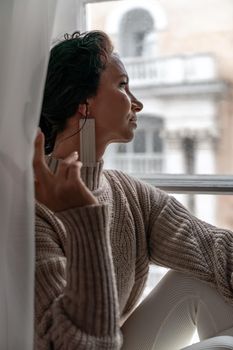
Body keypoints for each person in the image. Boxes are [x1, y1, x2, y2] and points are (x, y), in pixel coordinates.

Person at [33, 30, 233, 350]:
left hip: (116, 342)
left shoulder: (128, 193)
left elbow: (215, 251)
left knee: (200, 279)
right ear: (83, 103)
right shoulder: (34, 209)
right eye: (123, 86)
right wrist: (83, 219)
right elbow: (80, 344)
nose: (136, 103)